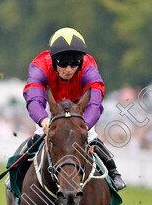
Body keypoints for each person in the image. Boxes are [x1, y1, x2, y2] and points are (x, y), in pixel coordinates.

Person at [21, 27, 125, 190]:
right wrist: (43, 119)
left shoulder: (89, 65)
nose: (69, 69)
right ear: (53, 60)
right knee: (39, 135)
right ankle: (16, 176)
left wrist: (85, 124)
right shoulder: (40, 65)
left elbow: (95, 102)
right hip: (52, 109)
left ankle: (113, 172)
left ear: (81, 60)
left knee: (90, 136)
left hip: (79, 108)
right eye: (63, 63)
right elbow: (34, 97)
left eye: (74, 63)